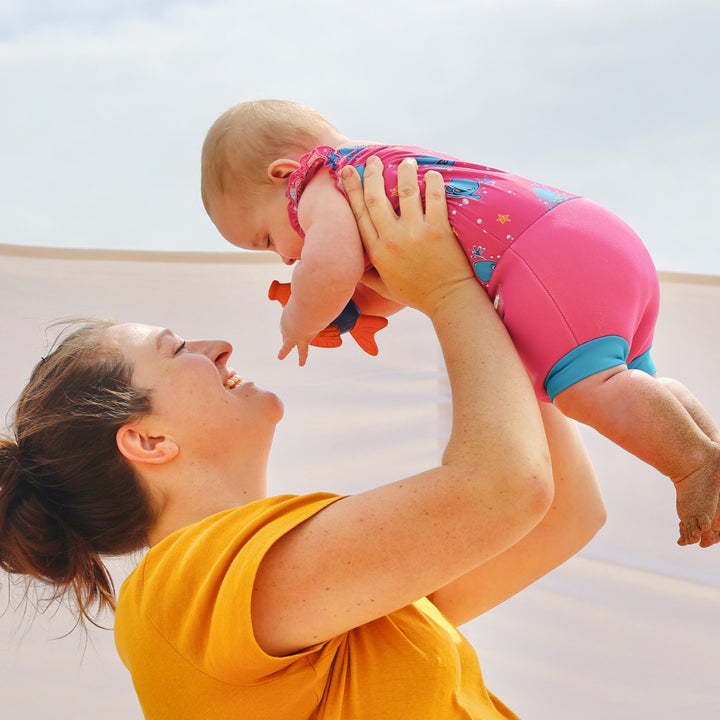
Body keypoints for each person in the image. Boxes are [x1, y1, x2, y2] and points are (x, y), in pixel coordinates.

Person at [0, 161, 605, 719]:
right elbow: (507, 489)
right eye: (177, 350)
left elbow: (562, 514)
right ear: (149, 440)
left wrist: (480, 297)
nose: (218, 347)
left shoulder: (290, 587)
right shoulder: (183, 591)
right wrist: (447, 289)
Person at [200, 98, 720, 548]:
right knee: (633, 378)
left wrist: (298, 318)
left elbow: (328, 268)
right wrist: (368, 306)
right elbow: (410, 275)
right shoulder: (377, 167)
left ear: (283, 175)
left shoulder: (319, 184)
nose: (285, 260)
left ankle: (695, 463)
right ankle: (708, 447)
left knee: (588, 386)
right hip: (590, 234)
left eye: (266, 240)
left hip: (543, 257)